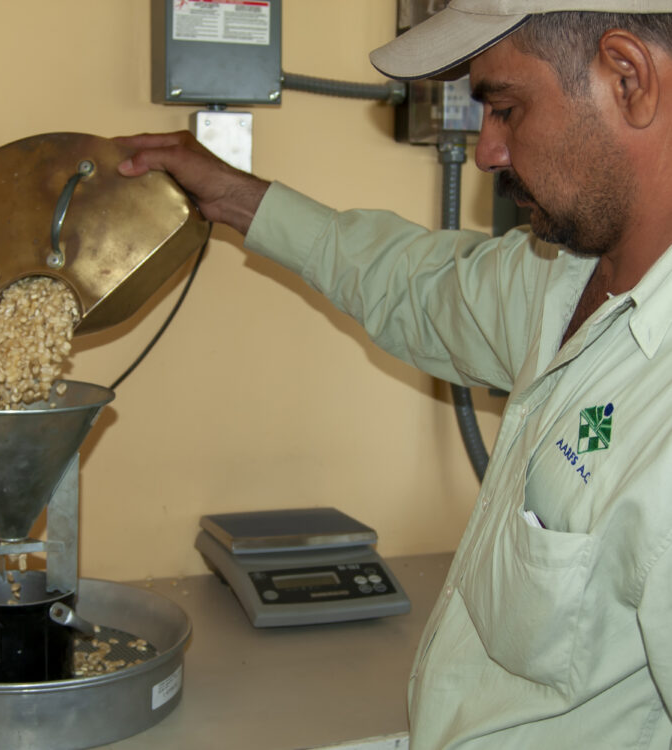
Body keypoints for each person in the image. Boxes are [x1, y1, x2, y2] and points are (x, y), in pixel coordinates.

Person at [116, 2, 672, 747]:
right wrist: (233, 197)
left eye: (505, 108)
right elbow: (414, 281)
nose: (487, 153)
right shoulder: (567, 275)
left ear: (628, 76)